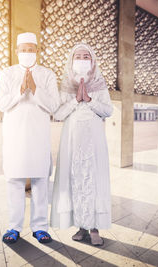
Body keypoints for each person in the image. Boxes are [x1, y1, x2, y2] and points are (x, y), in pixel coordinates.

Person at [0, 32, 60, 244]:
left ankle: (40, 228)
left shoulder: (47, 74)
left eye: (30, 49)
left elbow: (54, 106)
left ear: (37, 51)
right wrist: (20, 89)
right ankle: (13, 227)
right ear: (16, 51)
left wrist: (35, 89)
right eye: (23, 50)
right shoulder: (7, 73)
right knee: (14, 180)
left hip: (38, 135)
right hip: (14, 136)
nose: (26, 53)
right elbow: (1, 104)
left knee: (41, 180)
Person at [50, 43, 113, 246]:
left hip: (94, 138)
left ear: (93, 60)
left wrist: (90, 99)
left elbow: (108, 110)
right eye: (79, 56)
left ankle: (94, 228)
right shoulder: (66, 83)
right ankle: (81, 226)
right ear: (71, 59)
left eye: (87, 56)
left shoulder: (99, 82)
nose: (83, 59)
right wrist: (76, 100)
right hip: (72, 138)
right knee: (75, 178)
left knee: (93, 177)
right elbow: (58, 115)